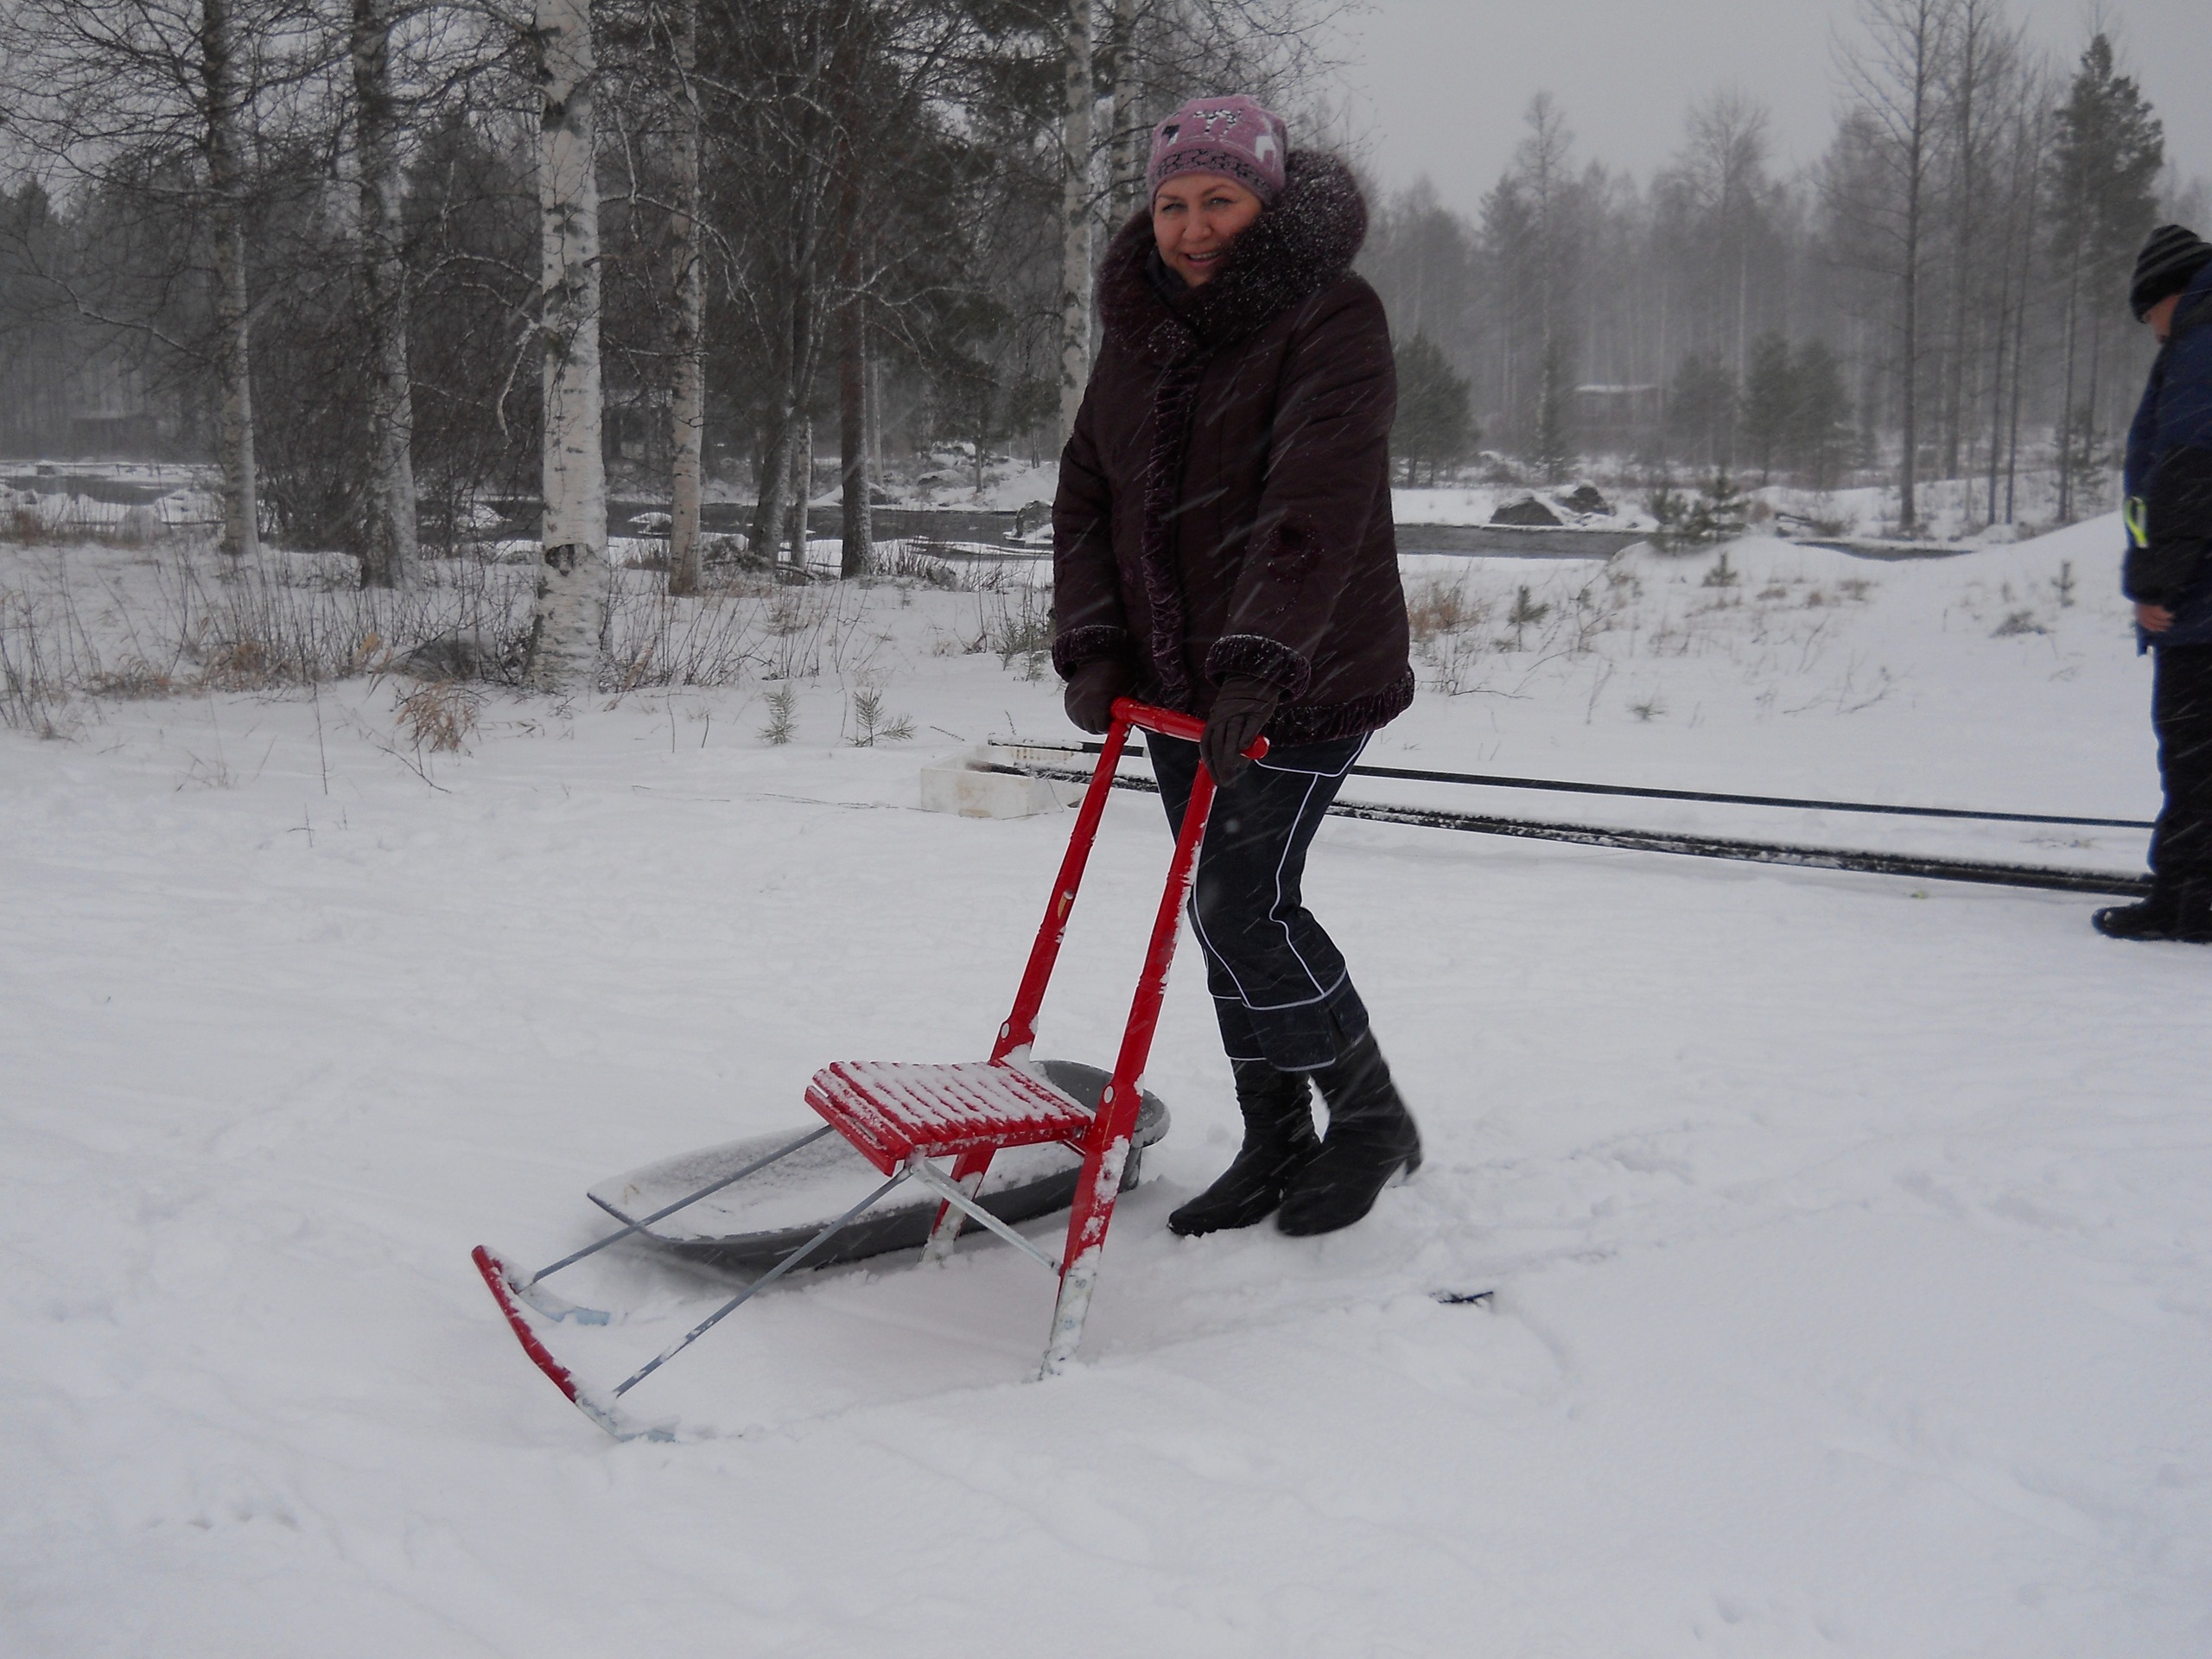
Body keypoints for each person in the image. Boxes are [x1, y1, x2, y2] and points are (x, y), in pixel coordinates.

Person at [1051, 95, 1420, 1236]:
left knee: (1239, 900)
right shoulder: (1142, 328)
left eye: (1220, 199)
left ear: (1268, 203)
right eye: (1173, 204)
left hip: (1307, 675)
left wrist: (1261, 658)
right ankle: (1276, 1135)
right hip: (1179, 687)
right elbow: (1088, 490)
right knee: (1219, 911)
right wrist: (1095, 644)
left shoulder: (1331, 316)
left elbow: (1317, 497)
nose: (1194, 226)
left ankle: (1369, 1120)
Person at [2095, 223, 2212, 944]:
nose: (2152, 331)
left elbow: (2190, 469)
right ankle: (2188, 893)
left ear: (2168, 294)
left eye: (2148, 316)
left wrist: (2156, 583)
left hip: (2201, 603)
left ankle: (2191, 901)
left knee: (2195, 753)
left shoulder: (2200, 342)